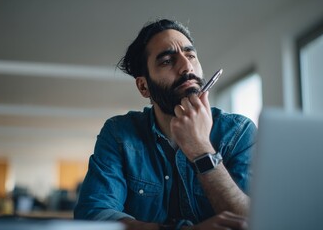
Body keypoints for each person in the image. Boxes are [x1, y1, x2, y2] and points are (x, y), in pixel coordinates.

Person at [74, 19, 257, 230]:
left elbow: (254, 221)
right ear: (144, 86)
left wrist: (202, 150)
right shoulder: (119, 134)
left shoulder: (239, 132)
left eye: (190, 55)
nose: (186, 66)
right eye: (167, 61)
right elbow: (94, 214)